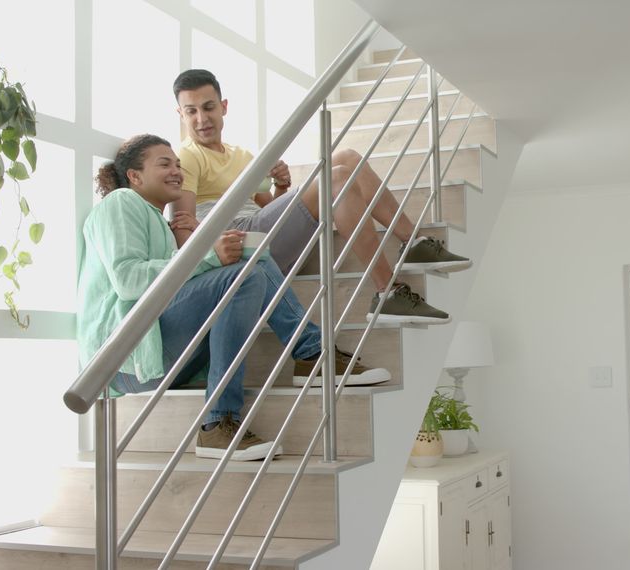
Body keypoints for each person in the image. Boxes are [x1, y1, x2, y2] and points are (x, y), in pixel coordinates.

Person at [77, 134, 389, 461]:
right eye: (164, 164)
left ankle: (311, 353)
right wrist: (209, 256)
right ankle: (222, 421)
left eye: (178, 165)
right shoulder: (122, 202)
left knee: (252, 258)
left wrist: (210, 249)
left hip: (159, 354)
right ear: (135, 176)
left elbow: (174, 286)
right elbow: (128, 280)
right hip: (124, 361)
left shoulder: (159, 222)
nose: (176, 171)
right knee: (246, 271)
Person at [170, 69, 472, 326]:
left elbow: (267, 208)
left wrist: (282, 187)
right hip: (240, 244)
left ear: (223, 106)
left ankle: (414, 242)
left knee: (346, 157)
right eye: (191, 111)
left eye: (208, 107)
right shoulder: (187, 156)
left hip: (262, 231)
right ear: (180, 115)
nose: (201, 118)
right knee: (337, 176)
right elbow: (185, 232)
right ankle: (387, 291)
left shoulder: (242, 155)